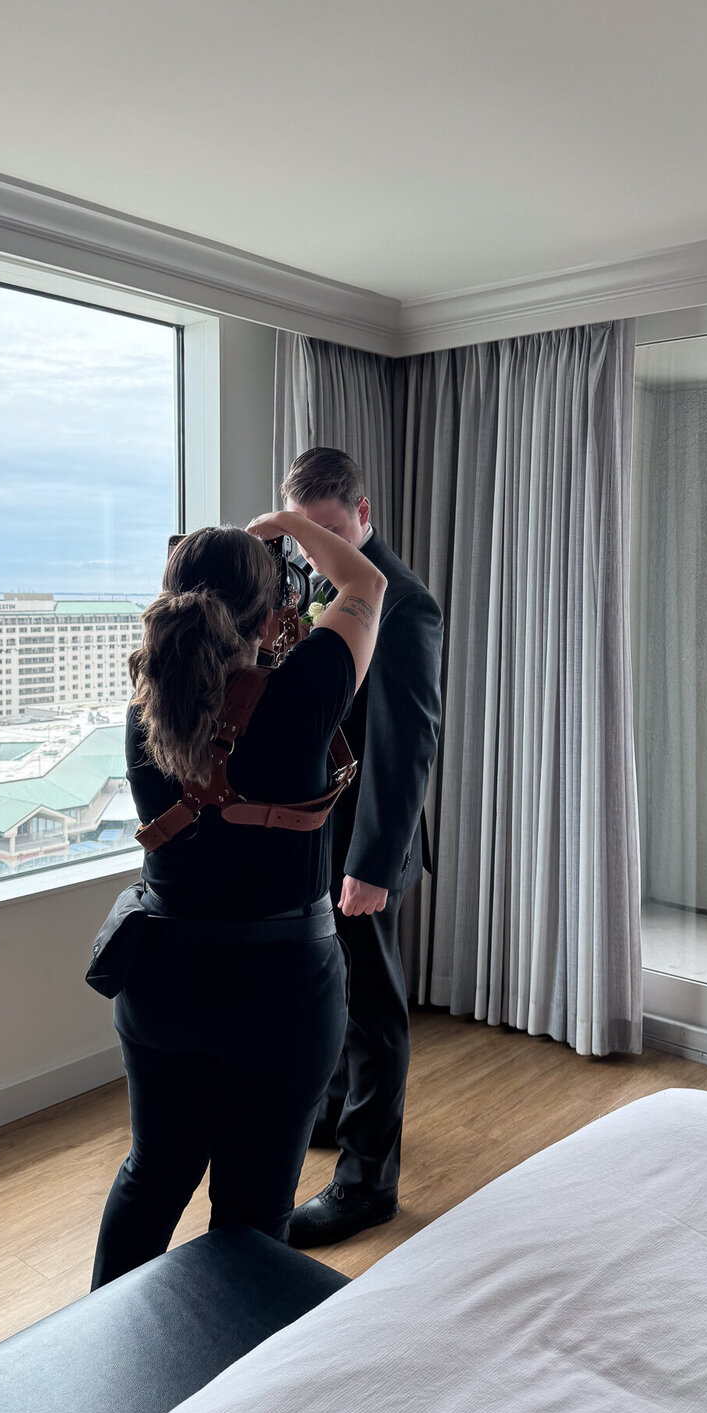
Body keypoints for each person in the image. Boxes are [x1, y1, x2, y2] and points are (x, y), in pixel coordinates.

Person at [90, 518, 386, 1289]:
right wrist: (288, 525)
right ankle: (231, 1388)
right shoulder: (303, 692)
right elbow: (367, 585)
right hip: (281, 992)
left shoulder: (145, 711)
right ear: (267, 613)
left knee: (152, 1175)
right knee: (254, 1207)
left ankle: (97, 1356)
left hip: (162, 981)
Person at [282, 448, 443, 1248]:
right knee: (333, 989)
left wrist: (372, 866)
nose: (321, 554)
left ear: (364, 515)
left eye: (334, 533)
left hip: (364, 848)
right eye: (308, 539)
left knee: (375, 1011)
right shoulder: (311, 587)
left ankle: (367, 1185)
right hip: (316, 835)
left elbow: (407, 744)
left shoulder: (405, 604)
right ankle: (334, 1115)